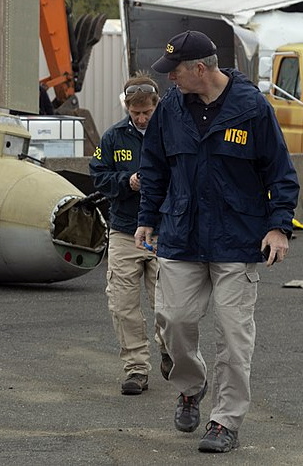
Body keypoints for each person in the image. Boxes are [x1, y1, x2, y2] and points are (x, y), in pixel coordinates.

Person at [134, 30, 299, 453]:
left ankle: (225, 421)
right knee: (172, 321)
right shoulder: (171, 109)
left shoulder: (251, 109)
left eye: (176, 72)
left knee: (234, 335)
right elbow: (154, 167)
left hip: (237, 239)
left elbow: (280, 172)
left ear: (200, 69)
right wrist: (147, 219)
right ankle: (191, 387)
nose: (170, 80)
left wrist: (279, 226)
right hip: (181, 235)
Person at [89, 75, 171, 396]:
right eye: (135, 112)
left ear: (156, 105)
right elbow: (98, 176)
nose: (140, 118)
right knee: (123, 304)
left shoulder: (170, 135)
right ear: (127, 107)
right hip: (124, 230)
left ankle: (168, 349)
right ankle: (136, 368)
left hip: (163, 233)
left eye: (146, 112)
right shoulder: (112, 138)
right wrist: (126, 181)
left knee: (167, 304)